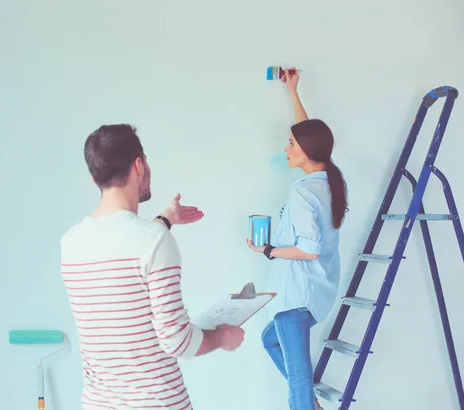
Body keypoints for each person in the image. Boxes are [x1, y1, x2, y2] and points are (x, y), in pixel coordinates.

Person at [61, 124, 245, 410]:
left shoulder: (71, 243)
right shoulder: (152, 241)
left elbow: (121, 252)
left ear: (93, 179)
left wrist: (165, 220)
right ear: (139, 165)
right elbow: (176, 341)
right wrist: (223, 337)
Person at [246, 69, 348, 410]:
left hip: (297, 296)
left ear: (305, 150)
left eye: (291, 144)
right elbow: (308, 135)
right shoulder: (330, 177)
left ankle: (309, 405)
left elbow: (309, 249)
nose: (286, 148)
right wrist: (293, 92)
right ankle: (313, 405)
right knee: (270, 342)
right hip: (316, 292)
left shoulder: (304, 193)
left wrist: (270, 251)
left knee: (300, 382)